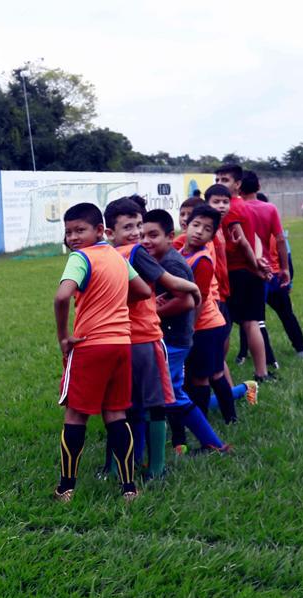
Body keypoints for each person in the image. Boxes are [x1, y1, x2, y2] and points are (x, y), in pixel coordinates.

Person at [54, 202, 152, 503]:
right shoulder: (116, 256)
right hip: (121, 344)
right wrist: (114, 303)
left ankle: (66, 488)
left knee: (76, 414)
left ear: (99, 230)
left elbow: (62, 296)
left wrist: (63, 337)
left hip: (90, 345)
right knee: (116, 414)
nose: (73, 237)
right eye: (68, 232)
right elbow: (144, 291)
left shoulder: (80, 257)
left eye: (79, 230)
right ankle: (129, 488)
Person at [100, 198, 199, 481]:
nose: (136, 233)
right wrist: (195, 290)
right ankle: (156, 468)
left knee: (120, 407)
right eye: (128, 227)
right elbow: (170, 282)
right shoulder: (136, 252)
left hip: (115, 338)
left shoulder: (104, 255)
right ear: (110, 232)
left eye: (138, 225)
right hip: (144, 338)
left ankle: (114, 466)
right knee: (156, 406)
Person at [142, 209, 230, 455]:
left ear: (170, 236)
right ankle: (196, 442)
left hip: (177, 338)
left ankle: (211, 443)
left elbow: (188, 301)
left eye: (153, 235)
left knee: (170, 391)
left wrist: (153, 312)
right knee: (172, 391)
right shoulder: (166, 256)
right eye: (142, 235)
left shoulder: (173, 262)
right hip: (171, 337)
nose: (146, 241)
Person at [179, 204, 254, 425]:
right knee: (211, 373)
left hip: (205, 326)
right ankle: (228, 417)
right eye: (196, 225)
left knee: (204, 378)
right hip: (205, 325)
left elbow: (199, 300)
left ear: (212, 236)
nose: (199, 231)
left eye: (207, 229)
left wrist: (190, 330)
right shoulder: (181, 252)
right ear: (186, 225)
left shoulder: (202, 260)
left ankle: (205, 423)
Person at [240, 173, 303, 359]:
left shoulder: (236, 211)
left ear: (238, 188)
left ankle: (246, 355)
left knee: (250, 318)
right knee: (286, 313)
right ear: (258, 186)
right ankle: (302, 349)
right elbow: (281, 241)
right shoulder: (270, 210)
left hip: (250, 273)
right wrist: (285, 269)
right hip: (273, 273)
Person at [211, 165, 274, 382]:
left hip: (237, 271)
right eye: (217, 180)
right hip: (248, 270)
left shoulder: (230, 209)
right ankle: (260, 372)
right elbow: (256, 238)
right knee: (251, 322)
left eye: (225, 180)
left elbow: (245, 242)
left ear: (238, 184)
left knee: (231, 324)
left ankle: (220, 371)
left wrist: (256, 265)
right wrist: (259, 263)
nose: (220, 183)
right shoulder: (246, 206)